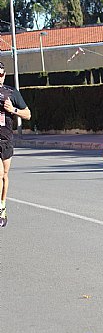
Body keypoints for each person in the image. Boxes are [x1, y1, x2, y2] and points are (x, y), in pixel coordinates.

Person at [0, 62, 31, 227]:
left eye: (1, 74)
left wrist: (13, 110)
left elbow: (28, 114)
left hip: (7, 139)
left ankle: (2, 206)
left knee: (5, 175)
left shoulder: (11, 93)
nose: (0, 77)